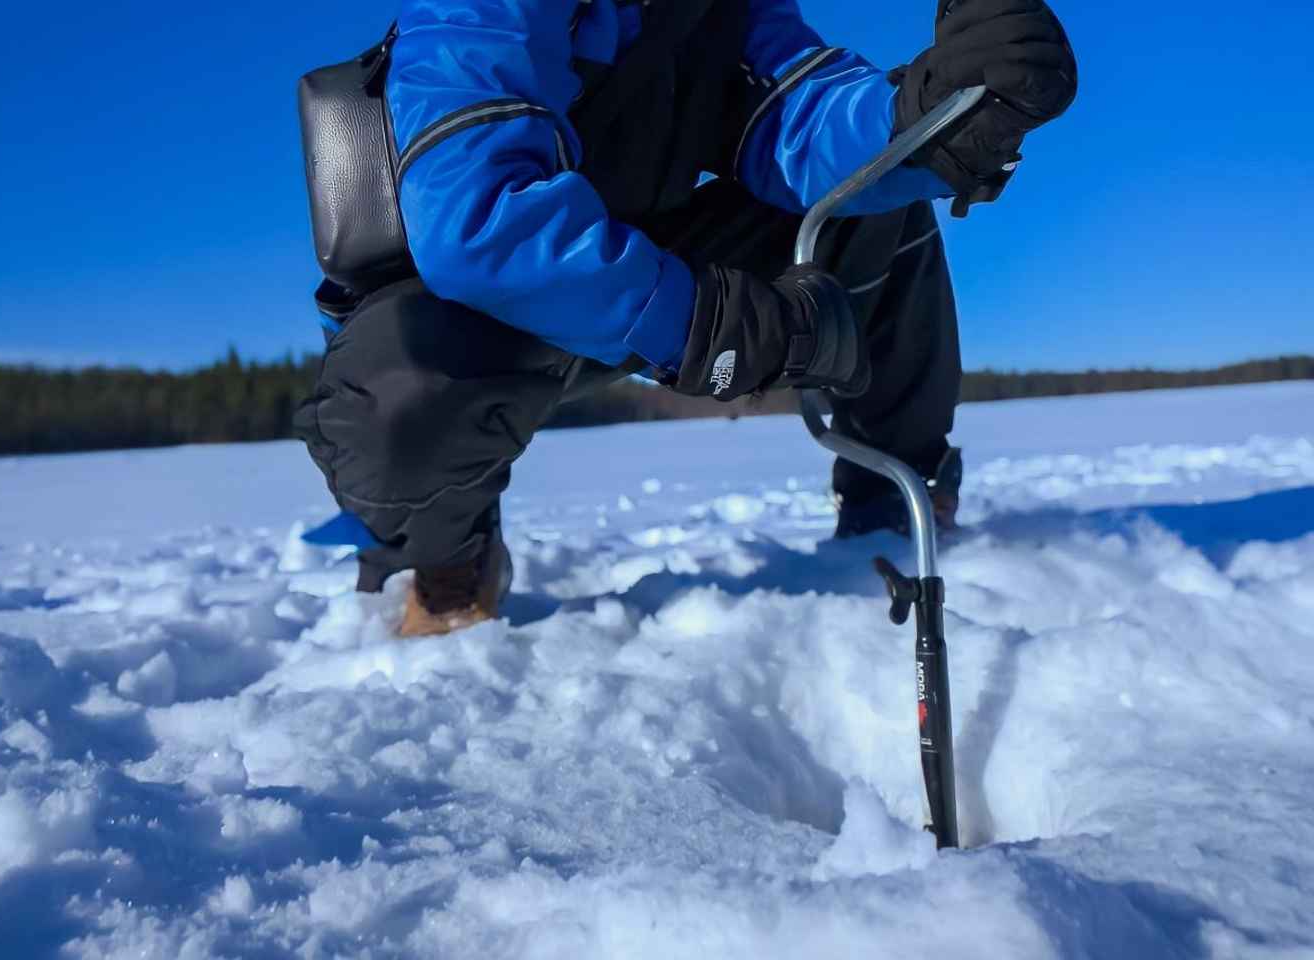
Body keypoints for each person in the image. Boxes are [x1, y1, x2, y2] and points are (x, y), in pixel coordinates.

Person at [295, 0, 1077, 636]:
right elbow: (478, 218)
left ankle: (891, 511)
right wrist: (705, 325)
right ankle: (448, 559)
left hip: (644, 257)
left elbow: (800, 117)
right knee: (397, 401)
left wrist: (932, 117)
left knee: (873, 205)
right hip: (475, 313)